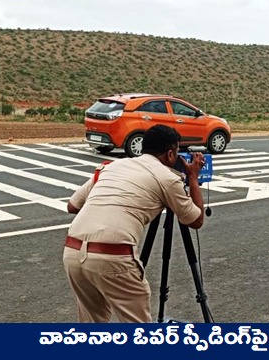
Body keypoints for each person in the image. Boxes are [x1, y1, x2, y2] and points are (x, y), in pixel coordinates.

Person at [62, 125, 206, 323]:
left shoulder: (110, 167)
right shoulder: (167, 178)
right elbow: (196, 220)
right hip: (112, 254)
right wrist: (192, 177)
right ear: (171, 153)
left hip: (72, 251)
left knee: (92, 327)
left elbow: (72, 206)